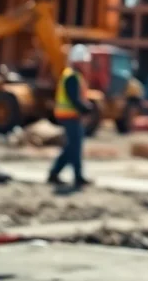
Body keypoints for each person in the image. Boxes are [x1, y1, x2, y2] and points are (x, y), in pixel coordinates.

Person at [47, 44, 93, 188]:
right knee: (75, 146)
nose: (86, 65)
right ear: (77, 61)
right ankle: (77, 177)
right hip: (69, 115)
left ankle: (54, 173)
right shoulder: (72, 76)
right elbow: (74, 98)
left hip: (70, 115)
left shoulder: (74, 75)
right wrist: (87, 109)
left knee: (71, 147)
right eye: (84, 62)